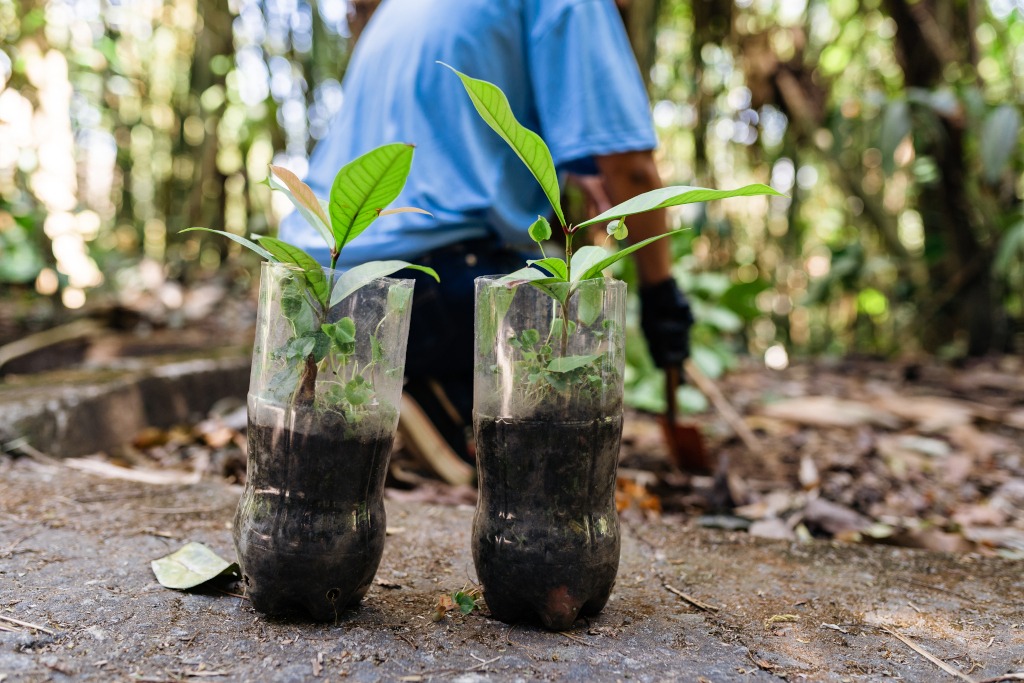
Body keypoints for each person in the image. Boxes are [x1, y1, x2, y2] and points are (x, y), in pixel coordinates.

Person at [280, 0, 693, 461]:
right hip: (427, 283)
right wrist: (662, 298)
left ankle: (386, 389)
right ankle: (443, 402)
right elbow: (631, 169)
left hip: (309, 281)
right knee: (570, 298)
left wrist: (578, 173)